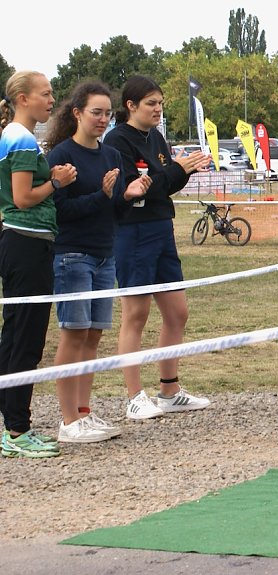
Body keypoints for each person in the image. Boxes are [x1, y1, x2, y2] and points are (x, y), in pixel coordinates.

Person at [44, 81, 150, 443]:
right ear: (77, 113)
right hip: (72, 254)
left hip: (106, 254)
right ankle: (68, 420)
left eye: (108, 113)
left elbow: (113, 207)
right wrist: (102, 196)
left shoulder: (111, 156)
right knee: (73, 334)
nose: (104, 119)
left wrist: (127, 195)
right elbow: (60, 211)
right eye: (96, 112)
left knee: (93, 335)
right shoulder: (61, 155)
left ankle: (84, 413)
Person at [103, 75, 212, 419]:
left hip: (161, 227)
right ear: (130, 106)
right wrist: (175, 170)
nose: (158, 109)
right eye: (151, 103)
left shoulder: (157, 137)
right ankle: (135, 395)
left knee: (178, 312)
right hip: (133, 233)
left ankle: (170, 389)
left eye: (160, 103)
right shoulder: (118, 140)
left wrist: (183, 171)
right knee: (136, 313)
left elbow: (163, 185)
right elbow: (141, 186)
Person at [0, 71, 76, 458]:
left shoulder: (15, 136)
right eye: (45, 94)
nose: (51, 100)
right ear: (23, 98)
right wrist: (57, 182)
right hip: (26, 242)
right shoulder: (21, 138)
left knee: (15, 334)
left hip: (22, 242)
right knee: (26, 337)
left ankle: (11, 424)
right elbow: (23, 197)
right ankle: (16, 429)